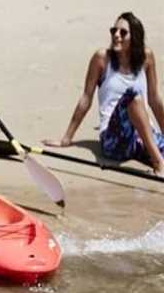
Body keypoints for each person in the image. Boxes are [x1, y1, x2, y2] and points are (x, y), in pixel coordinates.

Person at [43, 12, 164, 175]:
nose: (116, 35)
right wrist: (66, 138)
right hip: (113, 141)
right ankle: (158, 162)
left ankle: (154, 153)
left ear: (135, 37)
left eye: (123, 32)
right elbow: (86, 98)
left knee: (136, 99)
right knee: (133, 96)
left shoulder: (146, 57)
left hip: (141, 137)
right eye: (113, 31)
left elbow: (155, 100)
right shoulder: (102, 59)